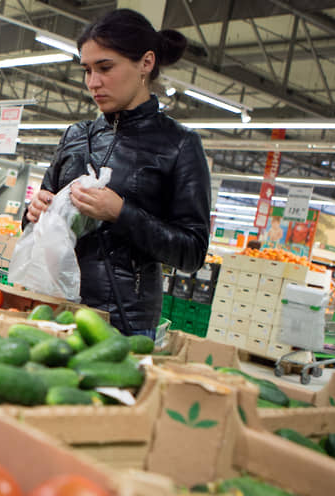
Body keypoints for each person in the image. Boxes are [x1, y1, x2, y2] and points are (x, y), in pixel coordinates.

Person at [23, 9, 211, 337]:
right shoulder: (75, 136)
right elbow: (37, 221)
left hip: (123, 323)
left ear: (146, 63)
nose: (93, 82)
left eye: (105, 68)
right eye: (87, 70)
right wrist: (36, 211)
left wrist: (121, 214)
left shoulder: (178, 145)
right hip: (53, 305)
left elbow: (192, 251)